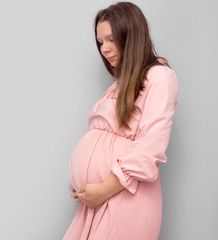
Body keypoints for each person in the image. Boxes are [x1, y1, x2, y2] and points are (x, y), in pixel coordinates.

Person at [63, 2, 178, 240]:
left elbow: (151, 147)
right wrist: (82, 183)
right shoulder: (121, 82)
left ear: (131, 34)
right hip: (96, 203)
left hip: (125, 198)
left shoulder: (159, 76)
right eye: (100, 42)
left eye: (111, 39)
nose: (105, 49)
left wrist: (103, 189)